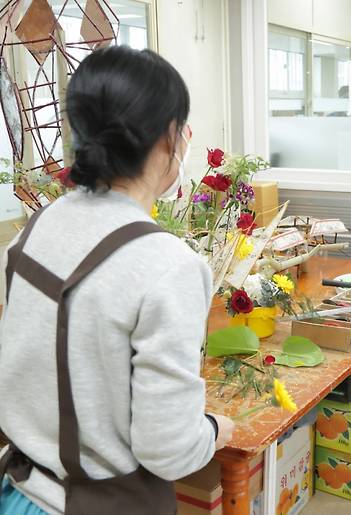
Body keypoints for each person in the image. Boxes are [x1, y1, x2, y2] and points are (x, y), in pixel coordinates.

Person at [0, 46, 234, 514]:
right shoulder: (168, 266)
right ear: (171, 137)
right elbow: (167, 449)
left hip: (20, 492)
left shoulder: (39, 226)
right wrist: (211, 429)